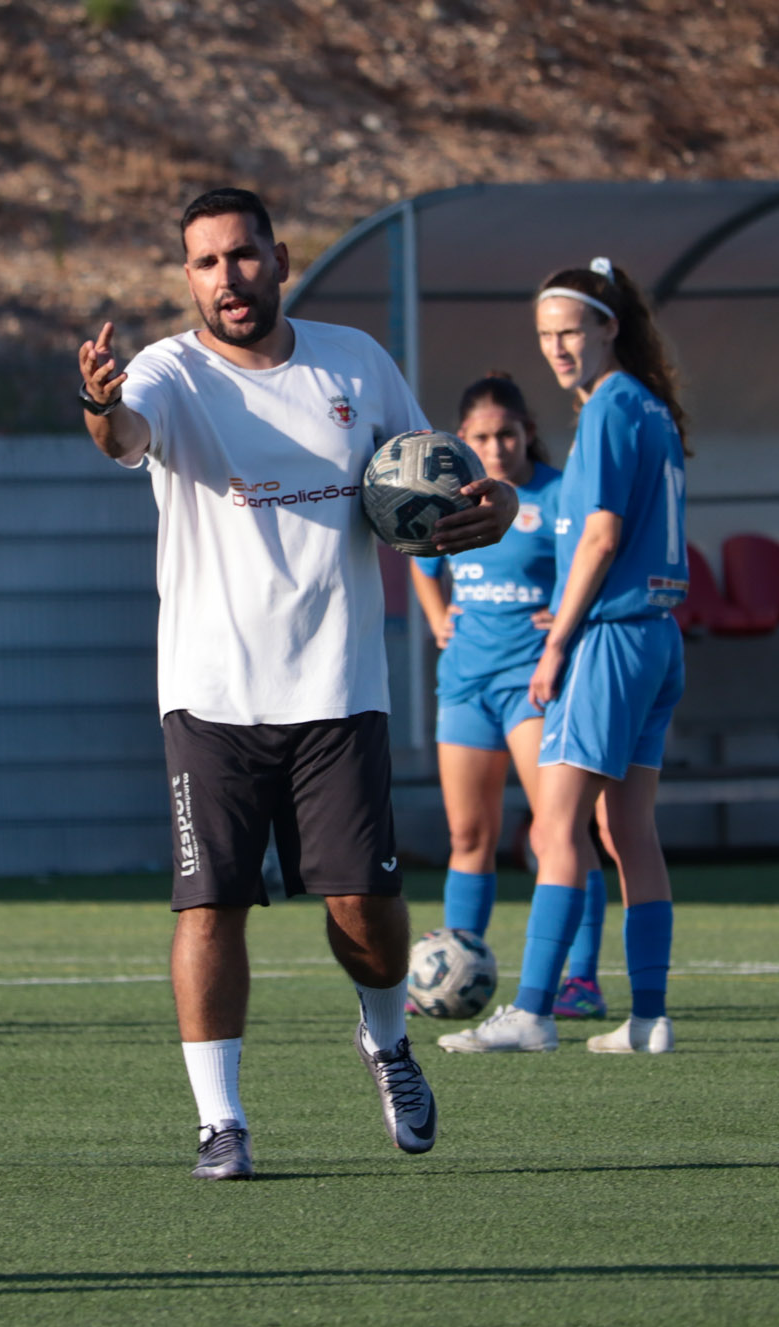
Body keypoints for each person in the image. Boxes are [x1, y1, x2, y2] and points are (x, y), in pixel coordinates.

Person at [76, 187, 518, 1180]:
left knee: (364, 905)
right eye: (205, 263)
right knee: (208, 907)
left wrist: (493, 506)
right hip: (209, 694)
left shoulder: (354, 360)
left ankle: (386, 1042)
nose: (226, 278)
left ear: (278, 259)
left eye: (241, 256)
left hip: (337, 685)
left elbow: (435, 480)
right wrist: (100, 404)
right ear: (187, 277)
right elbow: (122, 437)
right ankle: (220, 1121)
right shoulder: (168, 371)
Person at [439, 257, 688, 1056]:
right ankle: (648, 1019)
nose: (557, 347)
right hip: (658, 635)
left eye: (571, 331)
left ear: (608, 327)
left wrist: (555, 643)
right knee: (628, 829)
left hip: (613, 638)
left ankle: (534, 1011)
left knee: (556, 826)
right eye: (546, 335)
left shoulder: (611, 405)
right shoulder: (651, 405)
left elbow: (601, 537)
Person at [408, 373, 609, 1022]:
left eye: (506, 434)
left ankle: (581, 978)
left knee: (557, 832)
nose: (495, 447)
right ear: (463, 440)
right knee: (469, 833)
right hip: (466, 681)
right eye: (482, 437)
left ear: (528, 433)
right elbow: (422, 560)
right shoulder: (453, 496)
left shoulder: (557, 493)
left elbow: (596, 559)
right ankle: (454, 967)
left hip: (534, 681)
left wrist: (565, 618)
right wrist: (437, 616)